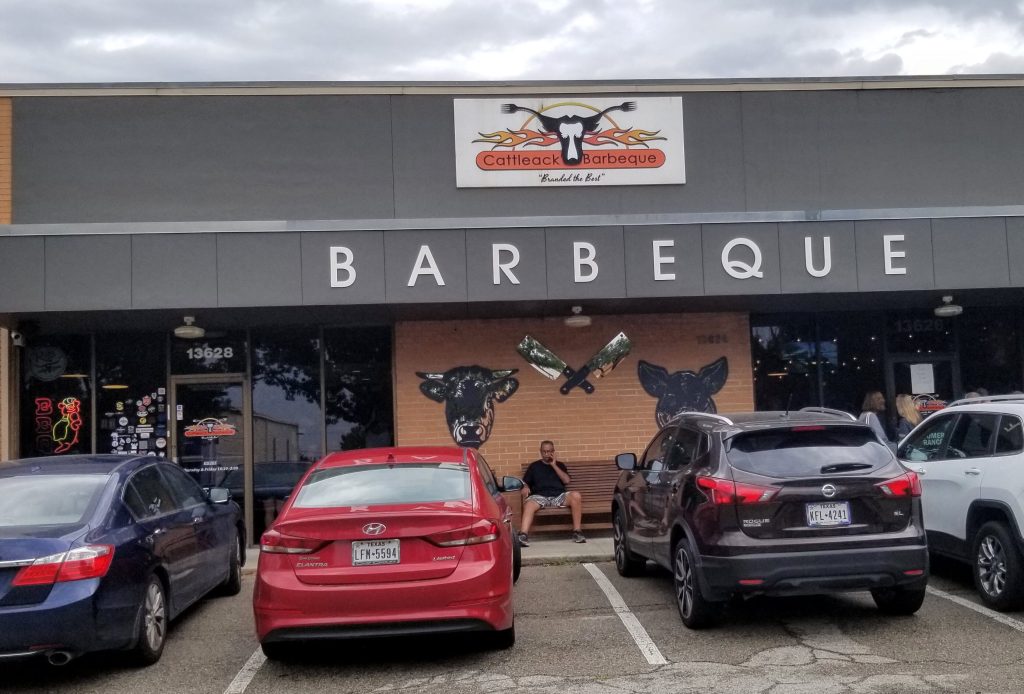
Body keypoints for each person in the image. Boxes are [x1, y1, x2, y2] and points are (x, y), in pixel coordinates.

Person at [518, 440, 585, 546]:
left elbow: (566, 480)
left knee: (576, 495)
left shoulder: (560, 465)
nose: (546, 454)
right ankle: (523, 535)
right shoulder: (534, 466)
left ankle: (577, 532)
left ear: (553, 452)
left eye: (549, 451)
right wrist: (525, 487)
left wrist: (553, 465)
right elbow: (525, 483)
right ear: (540, 452)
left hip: (558, 496)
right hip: (540, 496)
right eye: (544, 451)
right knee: (529, 503)